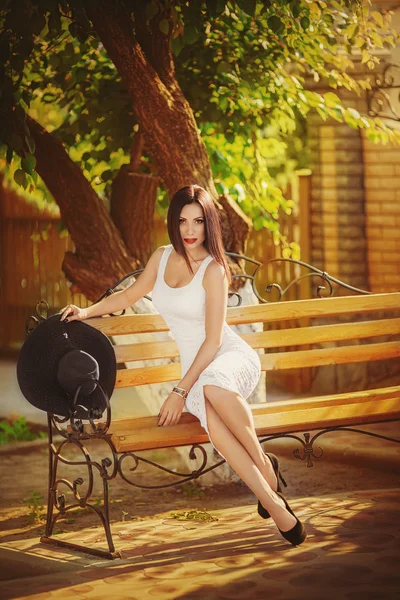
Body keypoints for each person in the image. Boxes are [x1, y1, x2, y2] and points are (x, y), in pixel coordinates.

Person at [60, 184, 307, 546]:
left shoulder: (214, 270)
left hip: (227, 356)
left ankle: (263, 466)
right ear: (173, 223)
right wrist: (87, 311)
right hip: (196, 371)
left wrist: (179, 391)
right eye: (182, 221)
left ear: (209, 225)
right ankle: (272, 496)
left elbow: (212, 341)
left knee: (209, 388)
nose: (190, 231)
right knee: (209, 405)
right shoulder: (160, 258)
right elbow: (130, 294)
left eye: (198, 222)